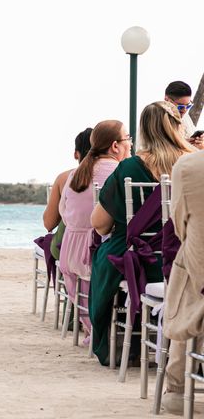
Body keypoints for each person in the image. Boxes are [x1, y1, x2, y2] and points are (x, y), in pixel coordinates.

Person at [89, 101, 193, 365]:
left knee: (104, 258)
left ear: (144, 130)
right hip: (186, 259)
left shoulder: (128, 168)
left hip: (142, 261)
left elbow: (99, 223)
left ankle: (127, 341)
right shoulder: (194, 163)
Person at [58, 121, 129, 340]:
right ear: (115, 146)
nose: (131, 144)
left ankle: (92, 328)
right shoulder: (117, 171)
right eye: (128, 138)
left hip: (70, 251)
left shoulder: (76, 172)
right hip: (94, 250)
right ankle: (112, 331)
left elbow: (63, 210)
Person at [160, 149, 204, 415]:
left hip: (198, 278)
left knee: (188, 263)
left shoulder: (189, 167)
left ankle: (177, 385)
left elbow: (180, 228)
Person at [42, 128, 92, 260]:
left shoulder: (65, 177)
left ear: (76, 154)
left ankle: (65, 279)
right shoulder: (113, 174)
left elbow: (49, 223)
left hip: (69, 245)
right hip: (103, 243)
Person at [164, 80, 203, 150]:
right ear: (167, 100)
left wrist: (197, 141)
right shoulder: (155, 118)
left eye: (188, 106)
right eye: (180, 107)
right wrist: (183, 145)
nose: (184, 110)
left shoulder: (185, 117)